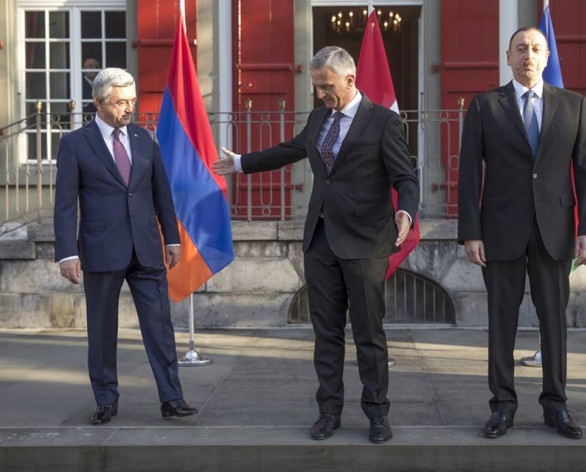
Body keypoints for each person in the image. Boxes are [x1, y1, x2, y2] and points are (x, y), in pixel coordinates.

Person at [213, 46, 419, 444]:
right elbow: (291, 150)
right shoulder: (319, 118)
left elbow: (405, 177)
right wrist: (241, 163)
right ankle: (329, 412)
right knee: (326, 333)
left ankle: (377, 414)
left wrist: (406, 212)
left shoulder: (383, 122)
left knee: (368, 334)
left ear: (350, 80)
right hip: (321, 241)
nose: (321, 95)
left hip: (365, 243)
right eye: (317, 87)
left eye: (327, 87)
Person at [457, 27, 586, 440]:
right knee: (500, 321)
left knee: (553, 321)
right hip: (499, 230)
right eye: (520, 49)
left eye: (536, 48)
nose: (528, 55)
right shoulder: (486, 105)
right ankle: (502, 406)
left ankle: (556, 405)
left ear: (547, 56)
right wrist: (471, 232)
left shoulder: (573, 104)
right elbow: (469, 173)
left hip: (555, 229)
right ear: (508, 57)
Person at [54, 68, 198, 425]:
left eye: (132, 101)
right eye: (121, 102)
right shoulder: (75, 143)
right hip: (101, 249)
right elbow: (65, 204)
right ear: (99, 102)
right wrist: (67, 252)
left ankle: (172, 398)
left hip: (146, 247)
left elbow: (161, 192)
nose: (129, 108)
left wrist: (172, 237)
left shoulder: (145, 139)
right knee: (102, 330)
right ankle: (106, 399)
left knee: (160, 327)